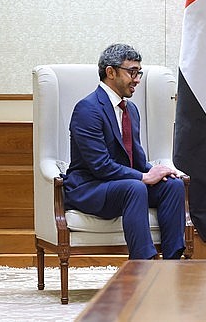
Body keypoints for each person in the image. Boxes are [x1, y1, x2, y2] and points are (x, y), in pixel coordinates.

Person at [63, 43, 186, 260]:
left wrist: (157, 171)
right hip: (90, 188)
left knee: (173, 185)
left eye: (139, 72)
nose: (137, 79)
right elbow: (100, 166)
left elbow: (136, 159)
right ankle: (143, 264)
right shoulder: (87, 109)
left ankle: (173, 262)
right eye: (132, 72)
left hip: (121, 185)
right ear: (110, 72)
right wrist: (143, 177)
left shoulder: (131, 109)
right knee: (135, 187)